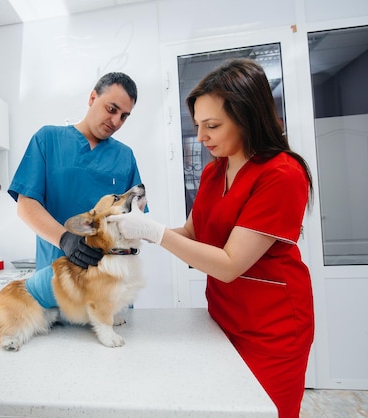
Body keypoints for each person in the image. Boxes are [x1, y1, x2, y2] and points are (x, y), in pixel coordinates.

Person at [108, 58, 315, 418]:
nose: (201, 137)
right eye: (198, 125)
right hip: (223, 316)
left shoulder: (282, 174)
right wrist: (131, 233)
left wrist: (152, 231)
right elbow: (191, 233)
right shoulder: (214, 170)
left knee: (266, 411)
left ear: (247, 117)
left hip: (273, 327)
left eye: (212, 126)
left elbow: (231, 264)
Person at [8, 72, 144, 271]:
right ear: (92, 98)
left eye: (124, 116)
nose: (116, 121)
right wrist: (64, 239)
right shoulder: (47, 139)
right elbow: (26, 205)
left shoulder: (125, 156)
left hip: (110, 278)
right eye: (111, 109)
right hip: (58, 275)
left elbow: (135, 213)